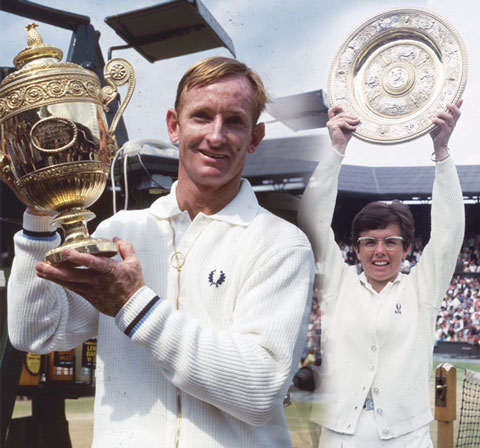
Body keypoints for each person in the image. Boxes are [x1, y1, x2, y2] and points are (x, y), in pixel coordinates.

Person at [6, 57, 315, 447]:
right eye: (202, 116)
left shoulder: (281, 242)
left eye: (234, 121)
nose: (216, 136)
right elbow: (36, 333)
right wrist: (38, 213)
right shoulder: (120, 231)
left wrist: (133, 305)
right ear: (174, 125)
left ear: (255, 138)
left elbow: (259, 392)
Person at [299, 102, 464, 447]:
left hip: (407, 437)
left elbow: (448, 234)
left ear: (407, 249)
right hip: (339, 436)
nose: (380, 251)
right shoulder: (338, 285)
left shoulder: (422, 289)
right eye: (369, 242)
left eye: (391, 242)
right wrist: (336, 149)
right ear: (355, 249)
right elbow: (311, 220)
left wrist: (442, 152)